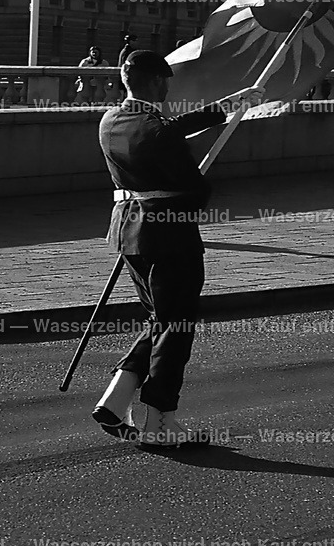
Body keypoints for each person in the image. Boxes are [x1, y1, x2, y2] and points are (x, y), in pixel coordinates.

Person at [93, 50, 263, 449]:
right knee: (176, 327)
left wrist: (228, 105)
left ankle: (116, 400)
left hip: (128, 231)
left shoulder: (111, 121)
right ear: (156, 82)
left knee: (161, 318)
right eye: (166, 81)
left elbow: (171, 129)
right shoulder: (159, 130)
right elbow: (194, 187)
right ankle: (158, 419)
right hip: (169, 237)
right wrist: (197, 190)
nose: (169, 87)